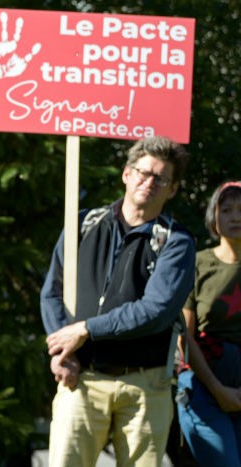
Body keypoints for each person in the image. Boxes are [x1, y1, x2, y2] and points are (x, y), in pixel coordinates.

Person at [40, 135, 196, 466]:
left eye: (161, 178)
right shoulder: (82, 223)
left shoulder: (177, 242)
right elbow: (52, 291)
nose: (149, 182)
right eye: (143, 172)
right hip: (81, 379)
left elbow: (156, 310)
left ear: (172, 189)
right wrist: (61, 350)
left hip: (145, 386)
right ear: (126, 173)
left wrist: (85, 329)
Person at [176, 181, 241, 465]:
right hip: (205, 386)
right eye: (226, 210)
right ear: (214, 217)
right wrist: (218, 390)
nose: (235, 217)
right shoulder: (197, 263)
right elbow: (184, 337)